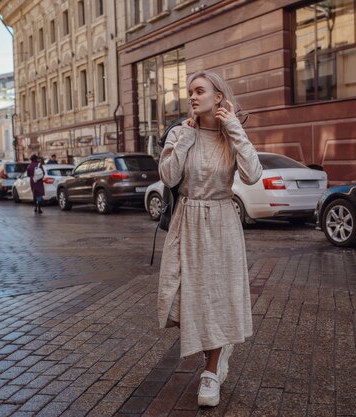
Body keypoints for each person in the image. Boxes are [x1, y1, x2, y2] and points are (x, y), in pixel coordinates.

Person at [157, 70, 262, 407]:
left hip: (221, 222)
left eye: (199, 90)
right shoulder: (179, 133)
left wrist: (234, 128)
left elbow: (253, 174)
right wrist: (185, 140)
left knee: (215, 297)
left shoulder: (230, 134)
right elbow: (170, 175)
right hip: (186, 222)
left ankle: (211, 371)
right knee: (188, 297)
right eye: (190, 91)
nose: (192, 96)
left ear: (218, 97)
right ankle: (218, 352)